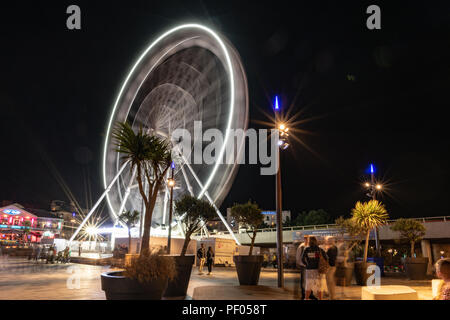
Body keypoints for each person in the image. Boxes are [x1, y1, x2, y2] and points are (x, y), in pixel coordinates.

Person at [301, 236, 328, 300]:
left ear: (309, 241)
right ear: (316, 241)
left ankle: (306, 298)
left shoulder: (306, 249)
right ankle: (320, 299)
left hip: (309, 270)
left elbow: (302, 259)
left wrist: (306, 264)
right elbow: (326, 258)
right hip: (317, 270)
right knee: (319, 285)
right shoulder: (319, 249)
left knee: (308, 285)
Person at [296, 235, 309, 299]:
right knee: (304, 280)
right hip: (304, 266)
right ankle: (303, 294)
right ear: (304, 239)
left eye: (308, 239)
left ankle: (308, 293)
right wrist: (301, 264)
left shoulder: (309, 246)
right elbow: (298, 257)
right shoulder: (301, 246)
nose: (307, 240)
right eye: (306, 239)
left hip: (309, 266)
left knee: (309, 280)